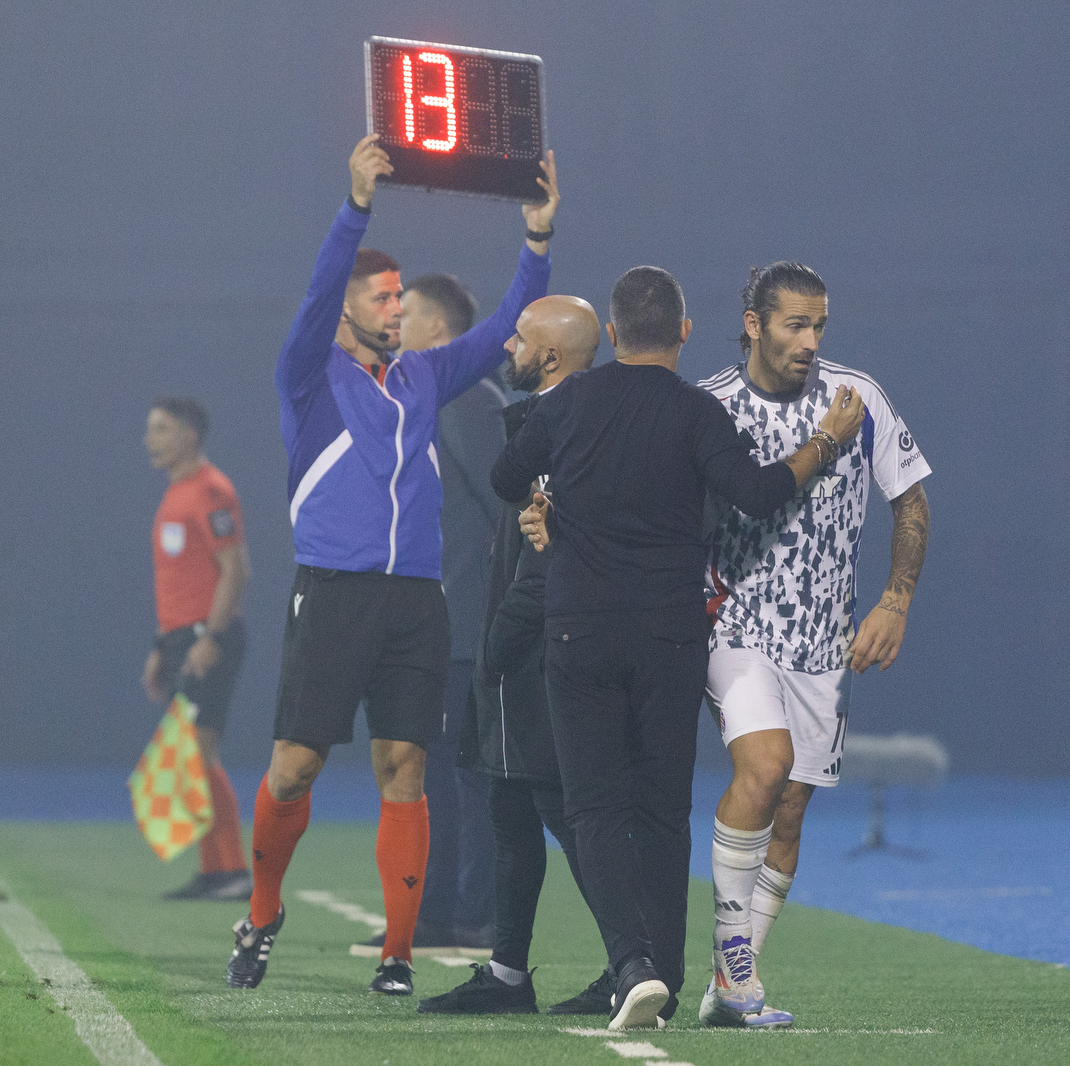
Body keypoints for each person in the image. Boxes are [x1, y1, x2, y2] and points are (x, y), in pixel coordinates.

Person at [225, 135, 560, 996]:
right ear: (345, 312)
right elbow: (312, 295)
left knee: (405, 768)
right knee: (295, 768)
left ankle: (399, 954)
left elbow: (498, 338)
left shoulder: (421, 379)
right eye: (380, 297)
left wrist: (535, 244)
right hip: (333, 596)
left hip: (416, 603)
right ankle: (262, 911)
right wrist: (356, 208)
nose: (395, 309)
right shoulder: (308, 374)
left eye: (398, 298)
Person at [490, 267, 863, 1030]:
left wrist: (545, 498)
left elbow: (504, 476)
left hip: (581, 631)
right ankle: (666, 966)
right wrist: (825, 442)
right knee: (664, 809)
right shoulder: (697, 413)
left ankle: (631, 965)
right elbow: (757, 494)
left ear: (615, 335)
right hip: (669, 637)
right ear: (685, 335)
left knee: (594, 805)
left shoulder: (569, 403)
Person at [695, 262, 932, 1028]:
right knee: (762, 768)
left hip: (824, 640)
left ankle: (735, 980)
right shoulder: (711, 406)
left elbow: (911, 502)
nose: (809, 340)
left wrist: (895, 600)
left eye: (819, 324)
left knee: (790, 811)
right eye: (794, 324)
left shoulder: (858, 400)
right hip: (735, 626)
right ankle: (735, 975)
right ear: (754, 324)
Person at [419, 295, 615, 1015]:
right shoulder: (537, 415)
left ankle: (635, 964)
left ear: (553, 356)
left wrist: (500, 635)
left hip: (541, 643)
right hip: (518, 635)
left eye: (522, 341)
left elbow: (549, 545)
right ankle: (507, 974)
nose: (508, 351)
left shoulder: (569, 422)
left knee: (565, 810)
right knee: (510, 802)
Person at [390, 272, 499, 949]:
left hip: (466, 626)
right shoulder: (436, 398)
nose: (391, 326)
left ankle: (474, 914)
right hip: (436, 621)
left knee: (467, 779)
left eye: (403, 315)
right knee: (434, 773)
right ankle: (433, 913)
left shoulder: (464, 397)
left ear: (437, 329)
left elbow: (506, 504)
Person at [141, 396, 252, 901]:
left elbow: (236, 570)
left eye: (161, 429)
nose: (150, 439)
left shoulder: (210, 490)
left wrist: (211, 637)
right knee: (193, 754)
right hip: (181, 638)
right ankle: (216, 870)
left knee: (202, 751)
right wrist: (161, 648)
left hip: (208, 637)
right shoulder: (175, 493)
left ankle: (231, 872)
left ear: (189, 435)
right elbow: (179, 579)